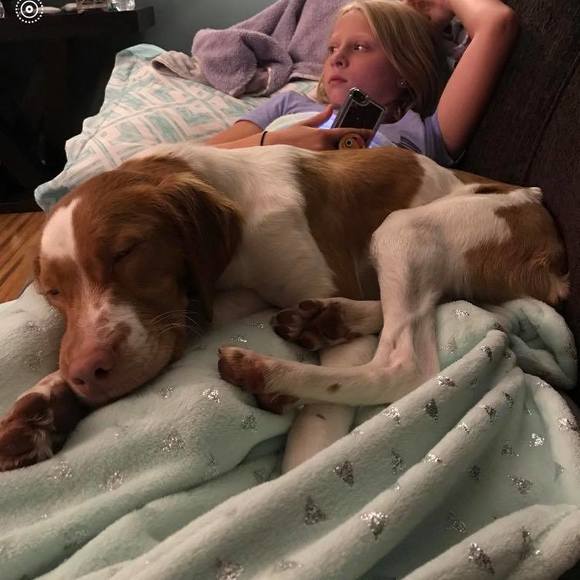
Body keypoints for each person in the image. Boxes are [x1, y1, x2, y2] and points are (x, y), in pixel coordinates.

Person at [206, 0, 518, 167]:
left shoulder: (427, 135)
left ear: (404, 69)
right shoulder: (289, 105)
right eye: (332, 48)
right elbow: (193, 158)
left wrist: (442, 4)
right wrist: (274, 143)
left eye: (359, 47)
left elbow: (497, 22)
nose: (336, 59)